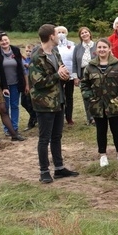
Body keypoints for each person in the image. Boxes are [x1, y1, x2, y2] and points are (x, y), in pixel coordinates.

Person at [29, 24, 79, 183]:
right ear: (51, 36)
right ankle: (44, 171)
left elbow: (60, 69)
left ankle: (59, 168)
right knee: (44, 139)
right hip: (44, 104)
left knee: (57, 136)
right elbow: (37, 83)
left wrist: (63, 74)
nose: (60, 36)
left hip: (58, 100)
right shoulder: (37, 56)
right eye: (57, 34)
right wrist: (58, 76)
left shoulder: (55, 51)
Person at [80, 38, 118, 167]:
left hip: (114, 104)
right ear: (96, 50)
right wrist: (90, 97)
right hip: (97, 105)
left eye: (104, 47)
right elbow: (84, 84)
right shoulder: (90, 67)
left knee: (116, 130)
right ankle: (102, 155)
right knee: (101, 131)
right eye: (99, 48)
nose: (102, 50)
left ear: (109, 49)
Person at [0, 31, 25, 135]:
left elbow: (21, 66)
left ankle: (15, 127)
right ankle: (7, 129)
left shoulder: (16, 50)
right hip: (3, 85)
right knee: (5, 108)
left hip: (16, 83)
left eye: (5, 40)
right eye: (1, 41)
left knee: (15, 105)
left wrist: (25, 83)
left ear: (9, 40)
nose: (4, 42)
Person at [72, 26, 98, 125]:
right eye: (82, 33)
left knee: (96, 95)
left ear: (90, 33)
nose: (84, 34)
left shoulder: (96, 45)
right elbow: (74, 63)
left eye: (86, 32)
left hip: (95, 73)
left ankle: (96, 116)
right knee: (86, 96)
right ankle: (89, 118)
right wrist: (75, 77)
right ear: (80, 36)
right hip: (82, 74)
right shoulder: (77, 48)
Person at [55, 26, 76, 125]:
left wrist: (74, 75)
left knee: (69, 96)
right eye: (59, 32)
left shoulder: (72, 44)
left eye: (63, 32)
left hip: (70, 74)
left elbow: (75, 59)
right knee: (60, 96)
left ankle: (69, 117)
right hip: (58, 74)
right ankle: (60, 116)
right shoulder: (54, 45)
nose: (61, 34)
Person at [21, 43, 37, 130]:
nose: (28, 53)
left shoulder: (34, 60)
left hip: (33, 83)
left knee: (30, 102)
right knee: (23, 102)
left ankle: (32, 121)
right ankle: (34, 115)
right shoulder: (24, 59)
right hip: (25, 83)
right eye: (26, 51)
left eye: (30, 51)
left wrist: (29, 66)